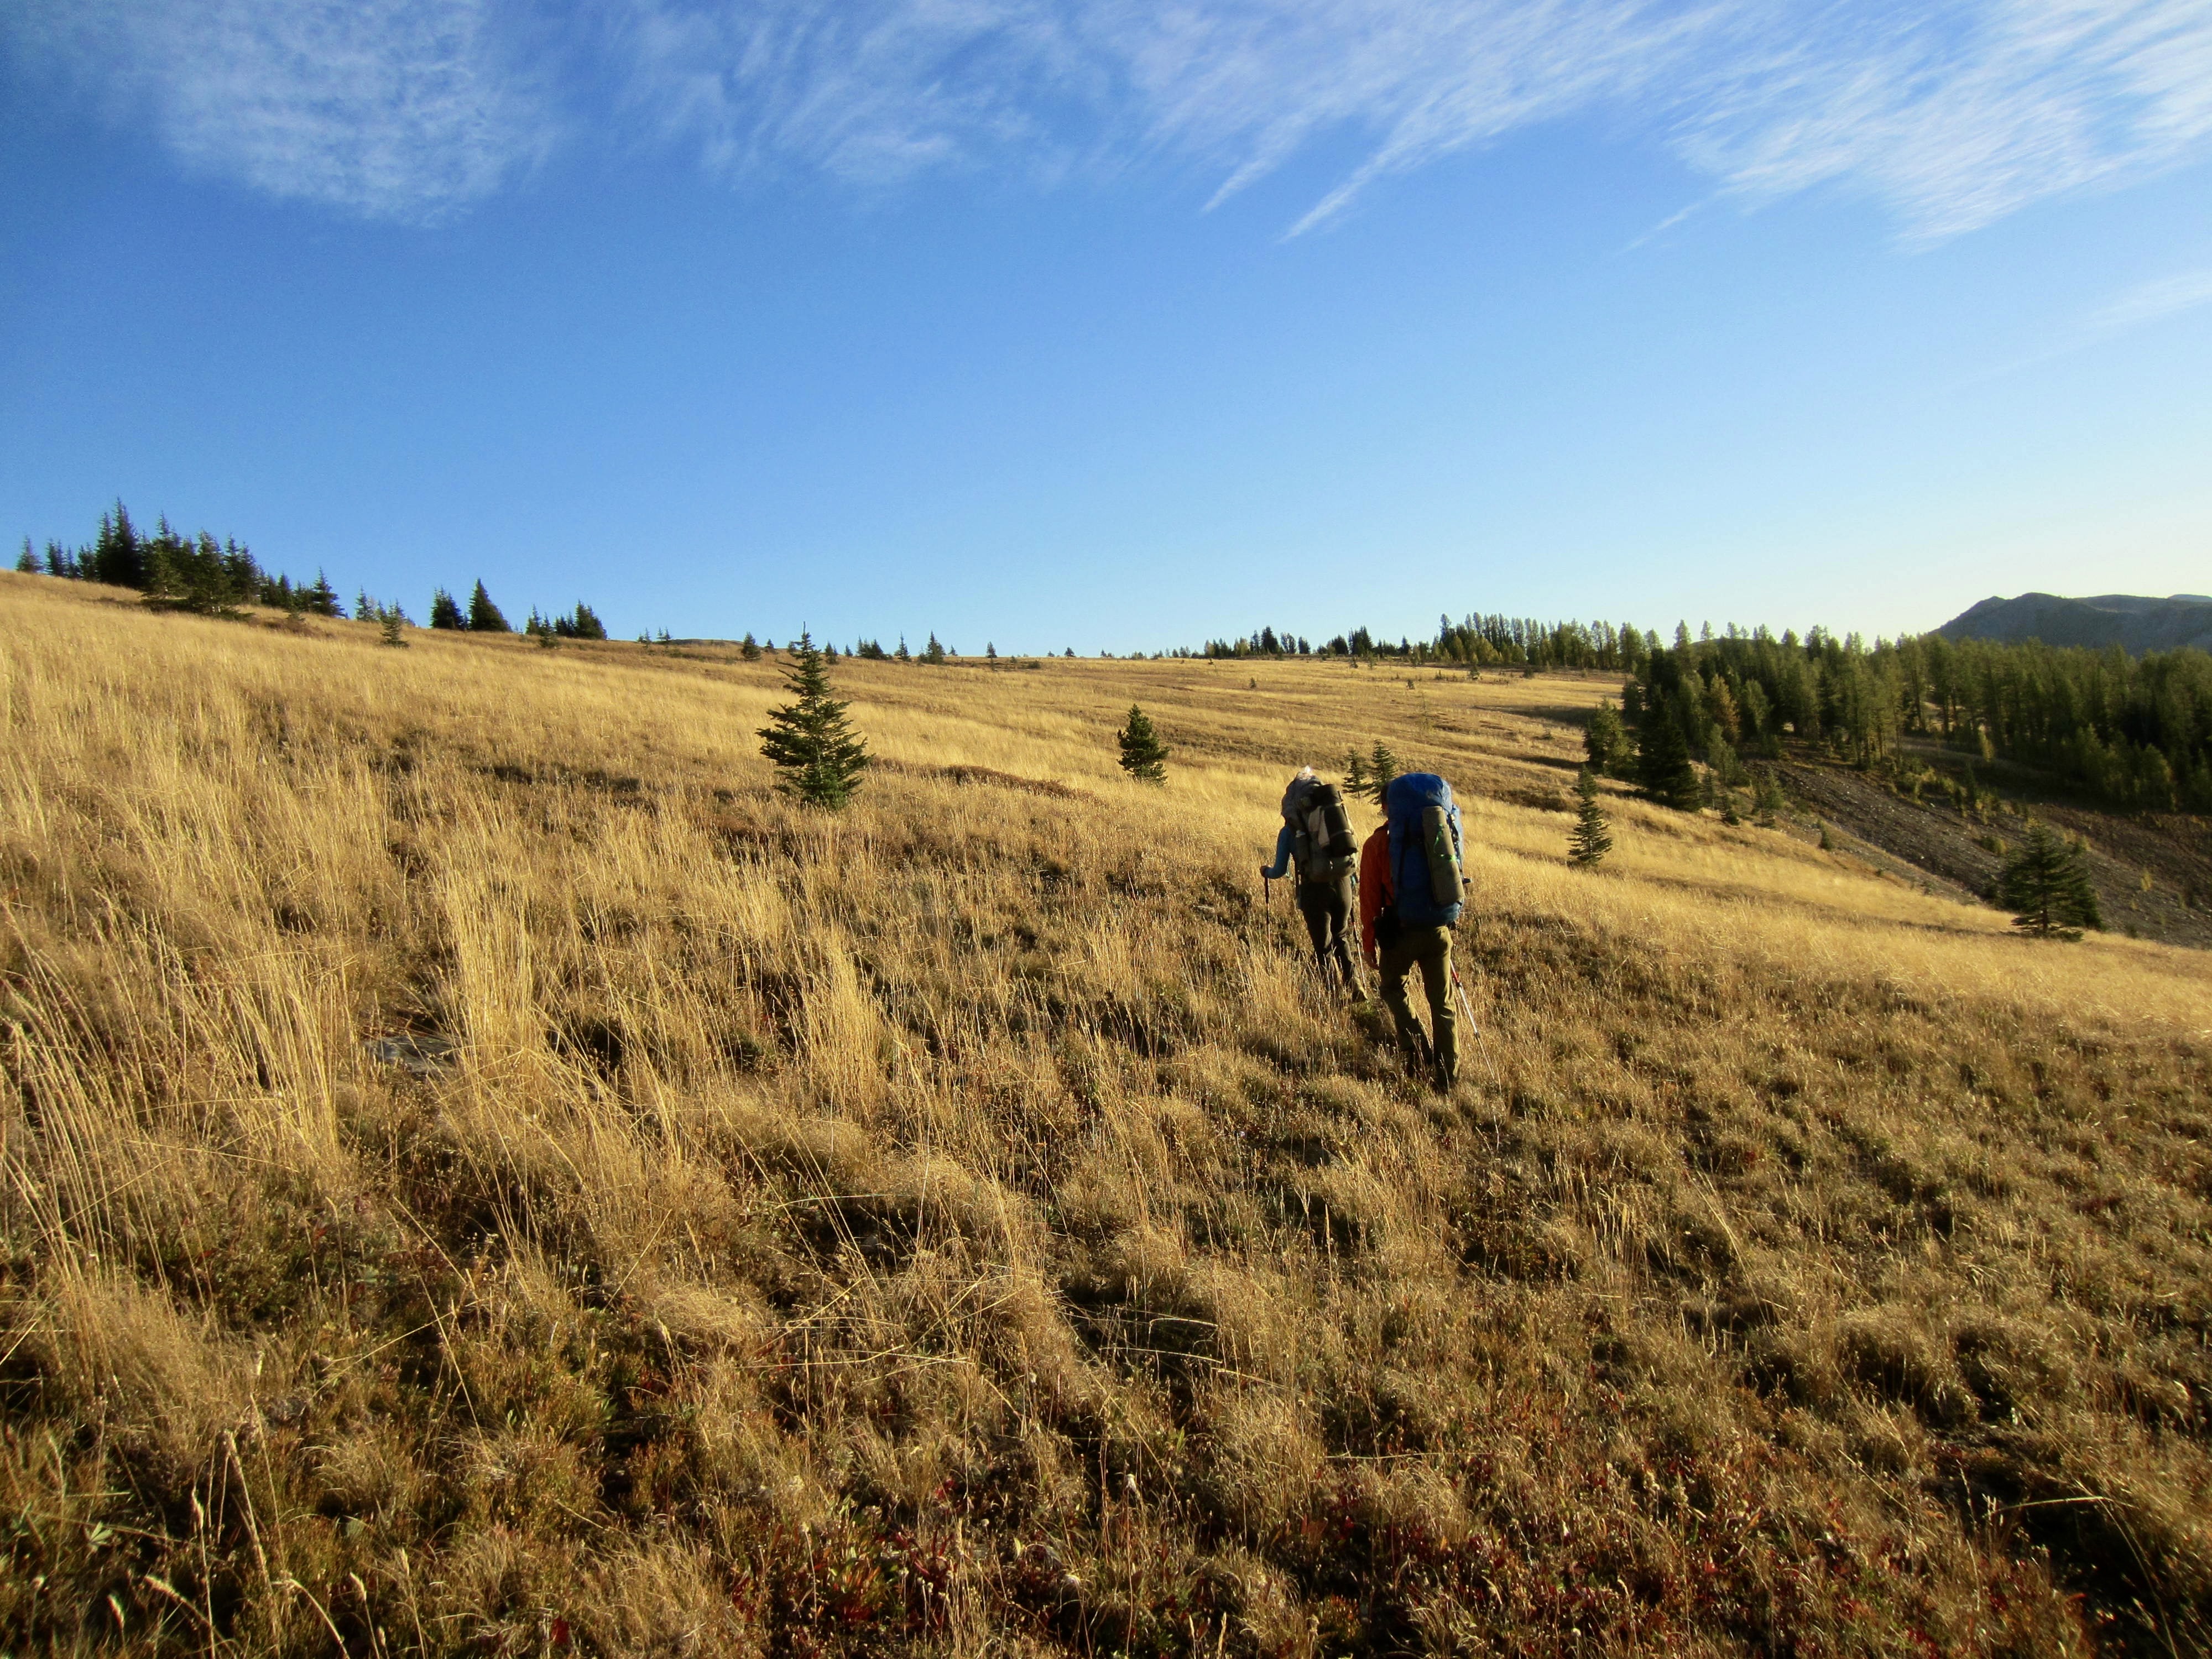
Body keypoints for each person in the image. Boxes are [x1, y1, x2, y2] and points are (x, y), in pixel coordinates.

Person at [1359, 812, 1458, 1091]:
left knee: (1392, 988)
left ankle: (1418, 1049)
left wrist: (1369, 943)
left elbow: (1369, 897)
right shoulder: (1436, 833)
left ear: (1385, 807)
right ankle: (1448, 1077)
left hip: (1400, 931)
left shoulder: (1378, 843)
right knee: (1443, 1004)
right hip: (1438, 930)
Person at [1260, 767, 1361, 994]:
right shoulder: (1334, 821)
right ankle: (1353, 983)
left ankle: (1333, 993)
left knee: (1323, 946)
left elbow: (1279, 871)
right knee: (1341, 935)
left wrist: (1266, 872)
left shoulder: (1289, 831)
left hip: (1314, 889)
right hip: (1343, 885)